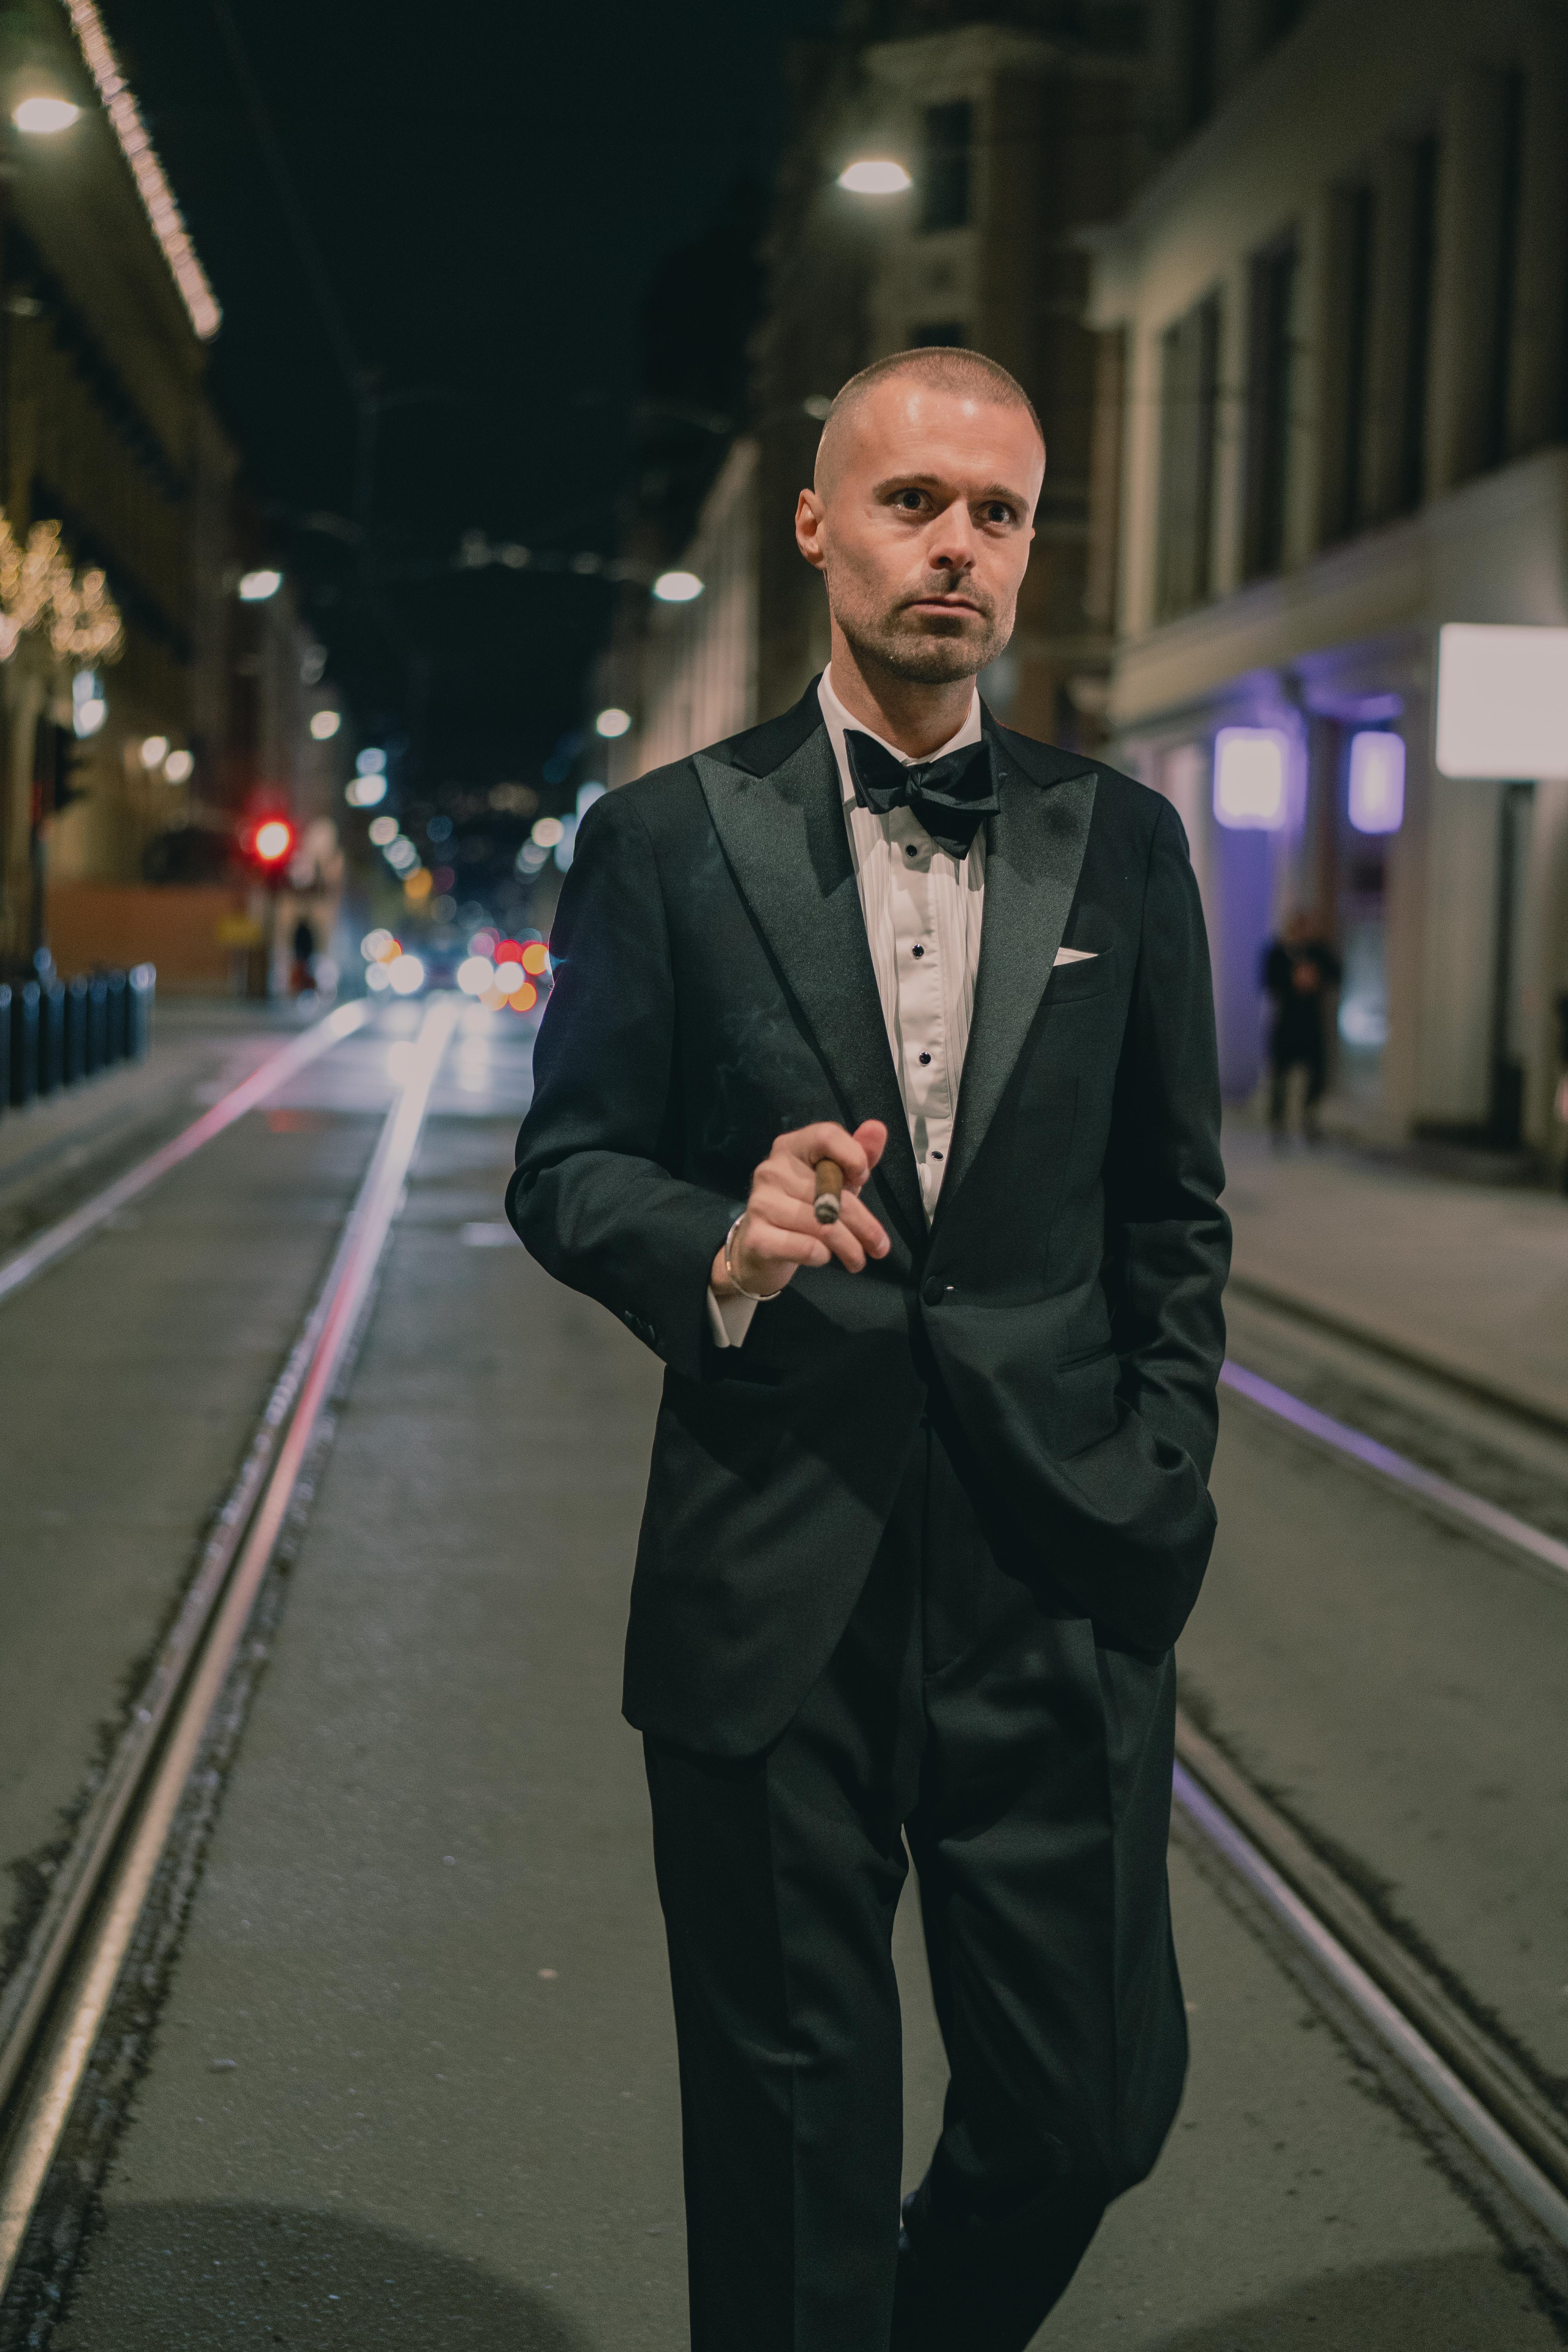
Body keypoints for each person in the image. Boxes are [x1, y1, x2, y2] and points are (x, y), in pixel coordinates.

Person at [508, 348, 1229, 2352]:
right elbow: (563, 1168)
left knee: (1085, 2109)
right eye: (912, 500)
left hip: (1052, 1578)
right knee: (791, 2159)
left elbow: (1170, 1208)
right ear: (820, 523)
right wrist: (716, 1244)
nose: (956, 547)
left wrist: (1159, 1477)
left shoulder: (1124, 843)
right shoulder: (661, 841)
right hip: (772, 1576)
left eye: (996, 512)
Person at [1260, 912, 1340, 1143]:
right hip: (1286, 1020)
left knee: (1317, 1071)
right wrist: (1292, 980)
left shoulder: (1317, 952)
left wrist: (1316, 978)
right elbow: (1269, 983)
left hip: (1311, 1021)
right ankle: (1278, 1122)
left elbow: (1336, 974)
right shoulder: (1278, 952)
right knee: (1281, 1074)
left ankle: (1310, 1116)